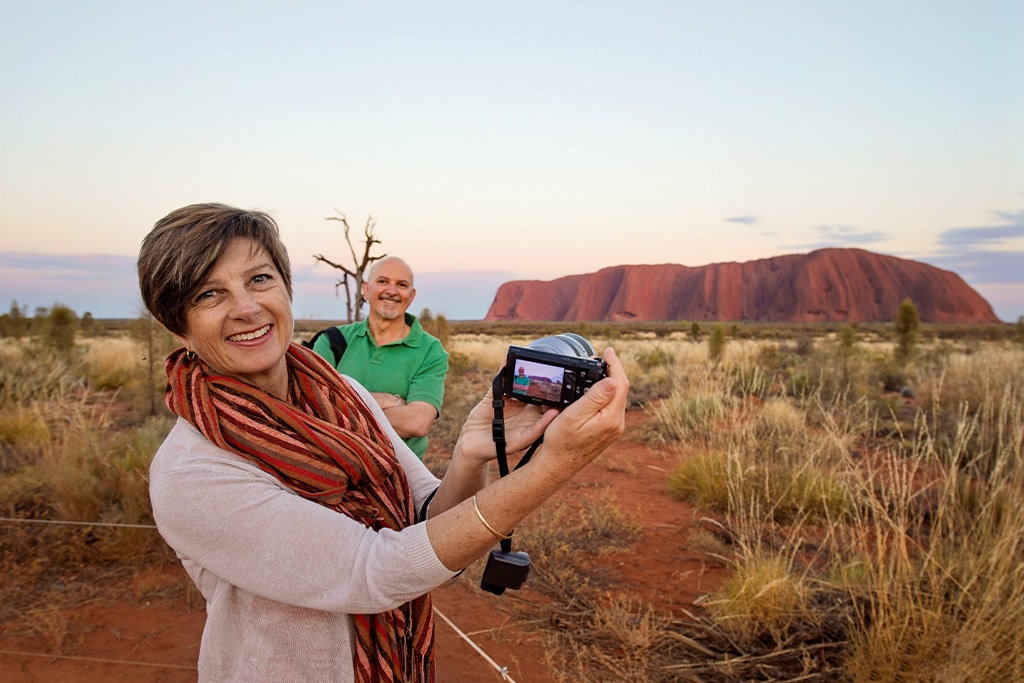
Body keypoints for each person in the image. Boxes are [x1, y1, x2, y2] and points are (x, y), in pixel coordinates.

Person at [137, 203, 629, 683]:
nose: (246, 308)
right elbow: (376, 571)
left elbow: (425, 521)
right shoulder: (191, 472)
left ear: (285, 288)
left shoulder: (342, 393)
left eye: (259, 279)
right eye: (208, 295)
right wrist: (552, 468)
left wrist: (470, 452)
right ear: (176, 325)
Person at [311, 256, 447, 459]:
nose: (392, 291)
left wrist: (341, 406)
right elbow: (312, 406)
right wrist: (390, 401)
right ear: (365, 289)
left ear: (411, 296)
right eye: (383, 282)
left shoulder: (430, 350)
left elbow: (417, 422)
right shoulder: (332, 341)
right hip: (333, 466)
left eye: (401, 285)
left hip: (400, 476)